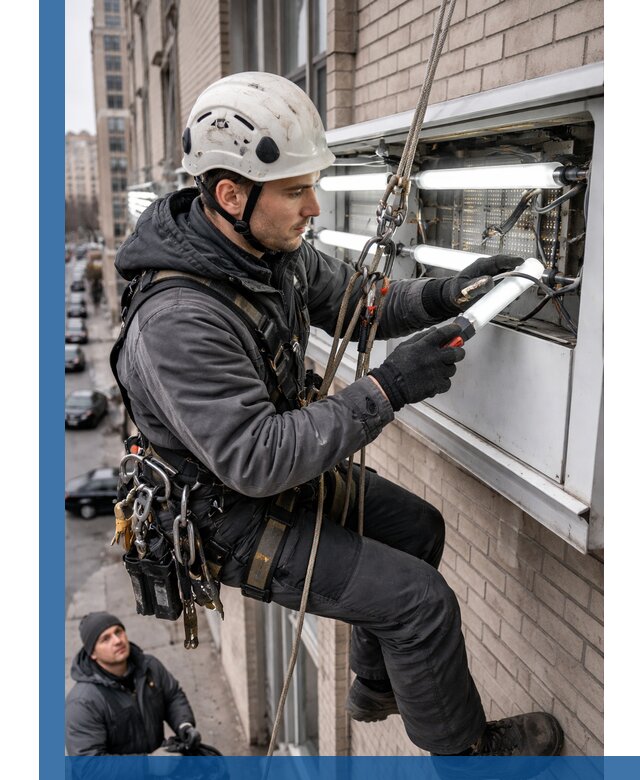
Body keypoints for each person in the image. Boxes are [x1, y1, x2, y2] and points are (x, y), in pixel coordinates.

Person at [113, 72, 563, 758]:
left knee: (418, 528)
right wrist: (388, 388)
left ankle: (376, 686)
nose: (313, 207)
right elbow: (258, 459)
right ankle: (468, 759)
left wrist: (447, 292)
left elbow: (362, 300)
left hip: (268, 476)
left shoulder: (267, 253)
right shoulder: (179, 319)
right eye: (296, 191)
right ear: (231, 194)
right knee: (419, 603)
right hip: (228, 515)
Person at [65, 612, 201, 755]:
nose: (117, 640)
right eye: (105, 639)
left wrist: (184, 725)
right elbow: (89, 764)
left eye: (118, 631)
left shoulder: (150, 666)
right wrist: (149, 763)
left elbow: (172, 697)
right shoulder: (82, 703)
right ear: (92, 653)